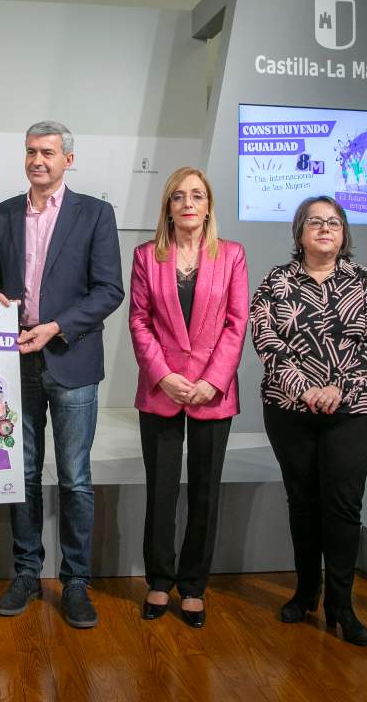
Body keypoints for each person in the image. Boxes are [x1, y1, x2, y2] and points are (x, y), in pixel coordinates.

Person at [0, 120, 124, 629]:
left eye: (47, 152)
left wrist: (56, 328)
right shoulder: (1, 215)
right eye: (30, 151)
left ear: (68, 159)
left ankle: (76, 582)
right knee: (20, 476)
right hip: (14, 360)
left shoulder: (95, 213)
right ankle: (25, 573)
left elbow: (109, 290)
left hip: (72, 359)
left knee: (75, 478)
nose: (36, 160)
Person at [250, 196, 367, 646]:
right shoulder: (275, 282)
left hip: (351, 410)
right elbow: (266, 339)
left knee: (344, 506)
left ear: (344, 233)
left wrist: (338, 389)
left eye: (334, 222)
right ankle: (305, 591)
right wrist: (304, 388)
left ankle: (341, 605)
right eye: (315, 222)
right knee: (303, 501)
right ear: (299, 233)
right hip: (289, 409)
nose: (325, 229)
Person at [128, 167, 249, 628]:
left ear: (208, 205)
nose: (188, 204)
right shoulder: (145, 256)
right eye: (179, 197)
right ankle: (159, 581)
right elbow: (139, 321)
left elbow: (237, 323)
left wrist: (212, 381)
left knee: (205, 491)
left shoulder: (232, 255)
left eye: (197, 195)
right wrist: (162, 376)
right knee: (160, 492)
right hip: (161, 390)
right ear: (168, 207)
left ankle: (194, 586)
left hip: (211, 393)